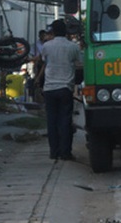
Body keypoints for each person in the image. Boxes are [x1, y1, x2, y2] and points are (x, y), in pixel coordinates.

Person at [39, 19, 80, 160]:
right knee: (65, 121)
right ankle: (65, 152)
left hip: (49, 88)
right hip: (65, 87)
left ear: (53, 32)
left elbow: (45, 62)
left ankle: (53, 152)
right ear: (66, 31)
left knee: (51, 121)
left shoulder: (46, 46)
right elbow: (78, 63)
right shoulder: (73, 47)